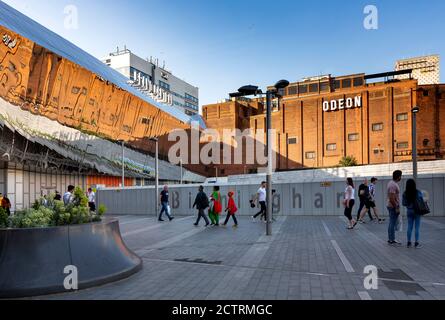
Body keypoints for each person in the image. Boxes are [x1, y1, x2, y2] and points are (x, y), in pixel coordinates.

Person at [402, 179, 424, 248]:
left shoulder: (405, 193)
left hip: (409, 211)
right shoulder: (418, 192)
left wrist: (409, 205)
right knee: (417, 227)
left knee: (409, 227)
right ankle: (416, 243)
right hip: (417, 211)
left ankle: (409, 243)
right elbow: (422, 201)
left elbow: (403, 203)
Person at [387, 170, 403, 245]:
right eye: (401, 176)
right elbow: (391, 198)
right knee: (392, 223)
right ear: (398, 176)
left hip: (392, 205)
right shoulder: (393, 185)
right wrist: (396, 207)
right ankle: (391, 239)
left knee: (392, 222)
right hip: (393, 206)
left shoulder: (392, 183)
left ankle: (391, 239)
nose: (401, 177)